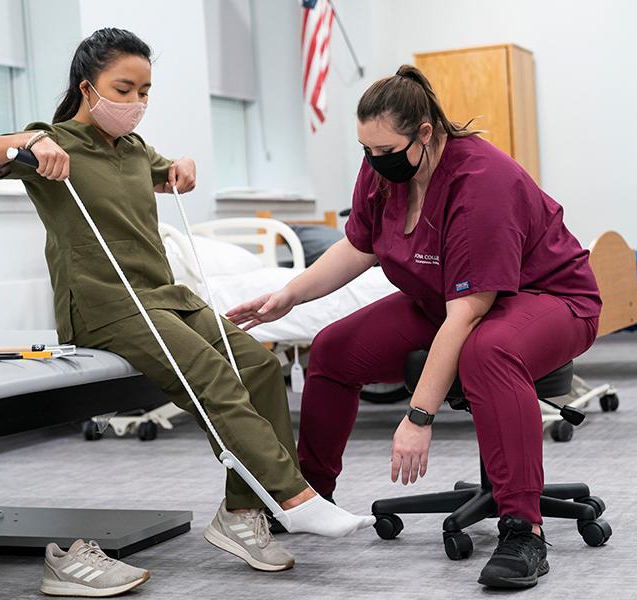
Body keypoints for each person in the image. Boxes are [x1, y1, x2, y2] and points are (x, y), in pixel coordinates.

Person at [0, 28, 374, 583]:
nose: (136, 103)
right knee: (213, 377)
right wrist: (21, 144)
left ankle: (240, 514)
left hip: (164, 296)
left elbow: (169, 173)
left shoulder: (134, 149)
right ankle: (291, 495)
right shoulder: (53, 143)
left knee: (262, 366)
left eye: (145, 90)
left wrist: (182, 167)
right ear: (87, 87)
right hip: (103, 304)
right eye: (124, 88)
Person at [227, 64, 602, 589]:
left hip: (549, 299)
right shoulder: (384, 168)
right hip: (443, 300)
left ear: (425, 134)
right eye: (366, 151)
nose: (374, 163)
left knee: (486, 353)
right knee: (333, 350)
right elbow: (359, 246)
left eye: (385, 152)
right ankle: (309, 495)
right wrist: (288, 295)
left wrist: (418, 417)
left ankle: (524, 530)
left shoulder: (481, 182)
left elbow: (469, 313)